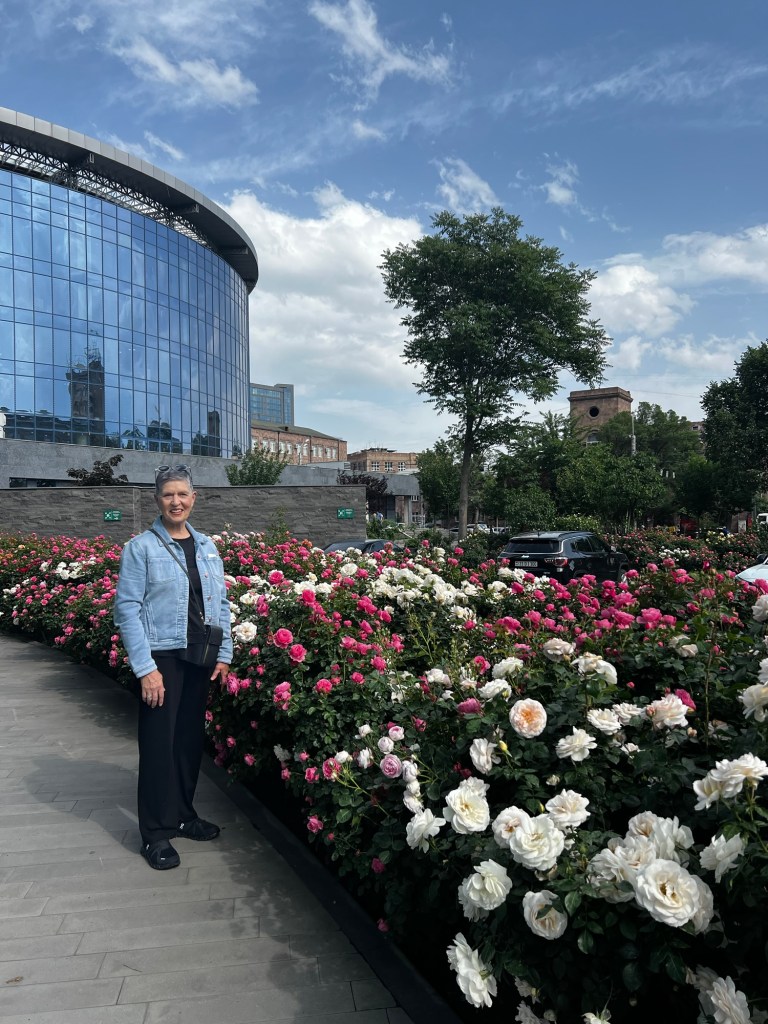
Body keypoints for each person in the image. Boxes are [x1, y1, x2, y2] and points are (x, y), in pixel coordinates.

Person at [114, 465, 232, 870]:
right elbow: (127, 610)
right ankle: (155, 833)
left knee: (187, 743)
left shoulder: (207, 546)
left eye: (183, 494)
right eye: (168, 495)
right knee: (158, 746)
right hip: (161, 659)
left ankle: (183, 815)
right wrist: (145, 668)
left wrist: (224, 653)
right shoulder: (141, 548)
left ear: (194, 498)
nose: (176, 501)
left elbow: (221, 604)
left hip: (200, 656)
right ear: (157, 500)